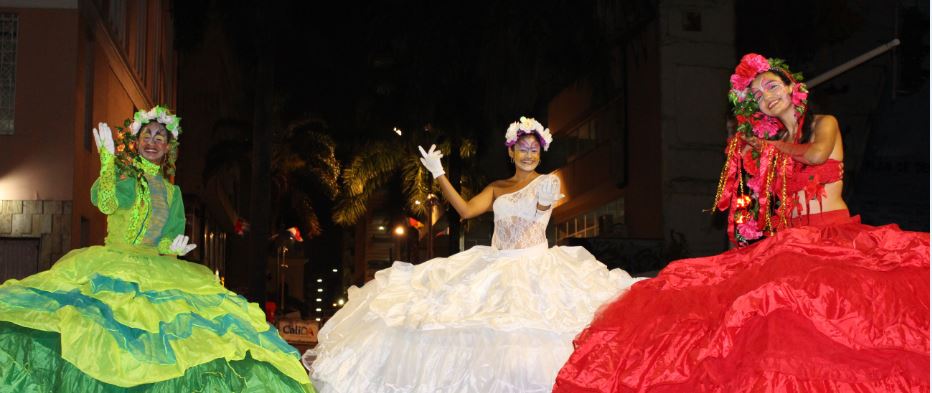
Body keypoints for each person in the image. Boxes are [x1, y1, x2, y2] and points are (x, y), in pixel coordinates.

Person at [552, 54, 929, 392]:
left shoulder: (821, 123)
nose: (767, 95)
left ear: (792, 88)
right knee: (758, 325)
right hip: (793, 241)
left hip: (833, 238)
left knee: (843, 332)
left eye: (772, 85)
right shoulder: (778, 140)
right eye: (759, 94)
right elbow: (763, 202)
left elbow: (815, 155)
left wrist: (768, 147)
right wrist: (746, 160)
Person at [304, 116, 644, 393]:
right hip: (496, 264)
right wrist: (438, 174)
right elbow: (466, 211)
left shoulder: (547, 183)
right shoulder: (498, 187)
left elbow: (542, 208)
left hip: (535, 270)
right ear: (511, 152)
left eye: (534, 149)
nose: (528, 154)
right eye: (522, 148)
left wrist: (544, 194)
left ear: (541, 154)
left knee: (530, 339)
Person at [0, 106, 315, 392]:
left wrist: (172, 245)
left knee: (175, 345)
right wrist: (107, 163)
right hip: (115, 266)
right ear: (137, 142)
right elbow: (106, 203)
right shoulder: (125, 177)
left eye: (160, 137)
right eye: (147, 135)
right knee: (104, 336)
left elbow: (165, 238)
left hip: (158, 270)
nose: (152, 141)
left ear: (168, 147)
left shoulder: (172, 192)